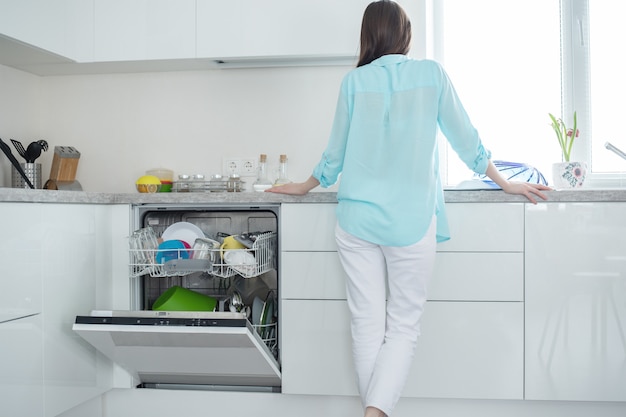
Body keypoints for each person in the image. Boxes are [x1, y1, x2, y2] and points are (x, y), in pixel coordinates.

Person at [266, 1, 551, 415]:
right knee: (401, 327)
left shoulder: (353, 82)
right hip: (411, 222)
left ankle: (372, 412)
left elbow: (334, 155)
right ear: (405, 34)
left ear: (367, 36)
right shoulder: (431, 75)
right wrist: (504, 181)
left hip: (356, 222)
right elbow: (465, 138)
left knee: (367, 325)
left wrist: (304, 185)